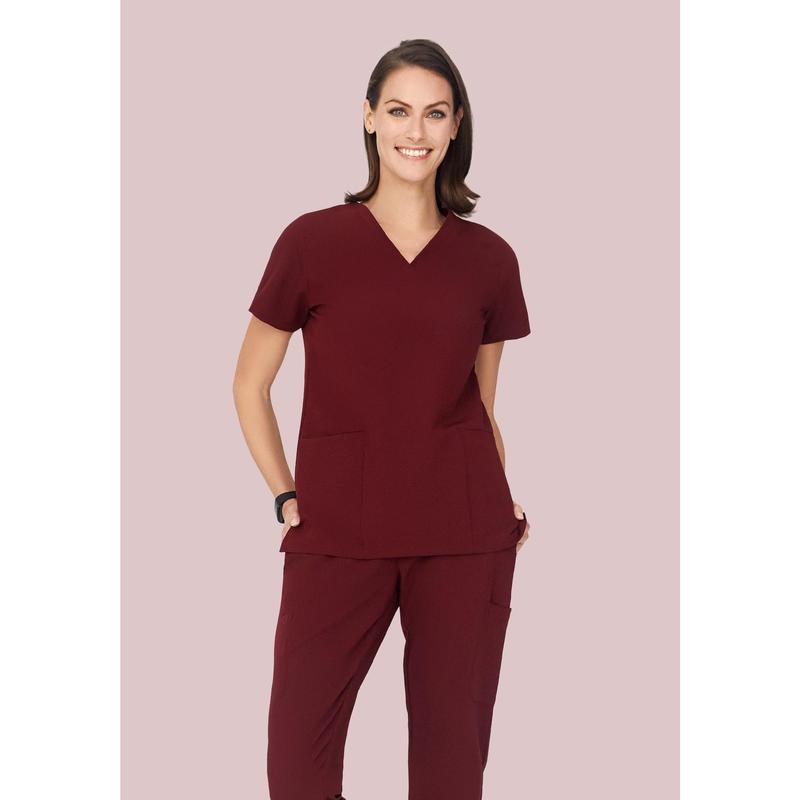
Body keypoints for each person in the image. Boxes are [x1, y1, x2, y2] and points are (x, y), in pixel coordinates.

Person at [233, 38, 533, 800]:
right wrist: (283, 492)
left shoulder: (489, 259)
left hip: (463, 531)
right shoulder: (310, 243)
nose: (416, 131)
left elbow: (480, 406)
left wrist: (501, 496)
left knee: (450, 765)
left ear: (457, 124)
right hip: (337, 528)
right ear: (369, 118)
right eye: (399, 111)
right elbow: (249, 384)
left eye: (435, 113)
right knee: (297, 759)